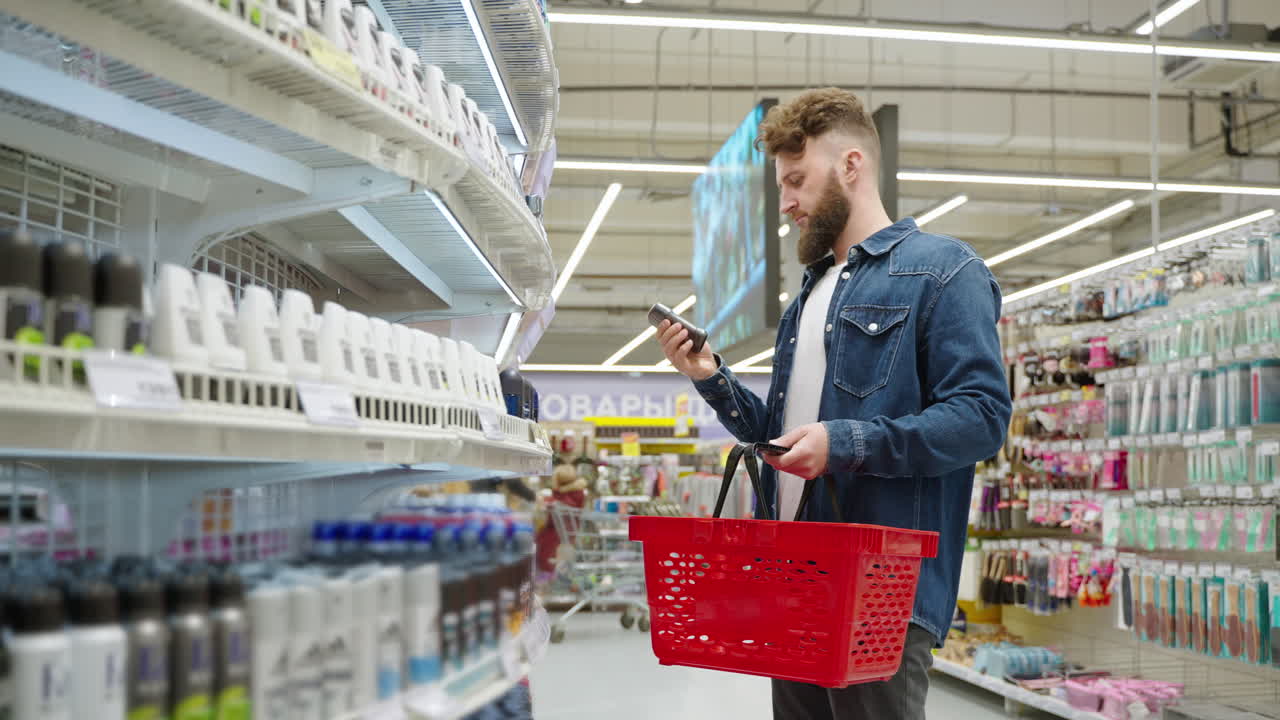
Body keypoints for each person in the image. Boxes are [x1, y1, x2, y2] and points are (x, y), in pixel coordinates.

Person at [654, 87, 1012, 720]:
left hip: (880, 593)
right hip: (793, 578)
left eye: (796, 180)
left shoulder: (944, 272)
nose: (786, 202)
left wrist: (844, 444)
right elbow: (785, 438)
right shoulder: (810, 295)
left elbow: (982, 417)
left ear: (852, 165)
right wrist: (711, 375)